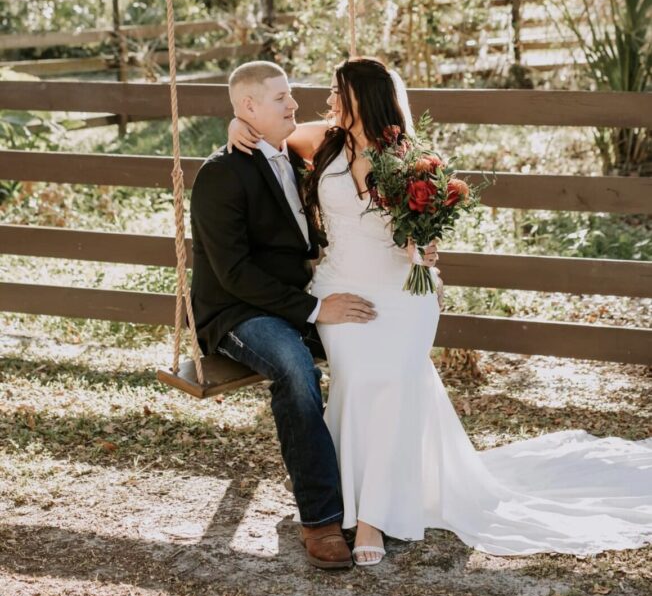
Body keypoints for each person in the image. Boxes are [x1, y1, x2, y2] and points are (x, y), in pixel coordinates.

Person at [229, 56, 652, 565]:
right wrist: (236, 124)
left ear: (362, 98)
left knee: (397, 378)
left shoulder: (407, 158)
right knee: (361, 379)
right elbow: (269, 132)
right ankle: (344, 489)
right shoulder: (323, 141)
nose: (329, 101)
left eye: (338, 93)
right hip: (342, 289)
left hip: (404, 293)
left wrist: (424, 249)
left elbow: (421, 231)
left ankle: (372, 517)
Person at [191, 60, 438, 569]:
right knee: (295, 367)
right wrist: (317, 307)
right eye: (282, 98)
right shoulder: (221, 173)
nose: (298, 104)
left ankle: (373, 498)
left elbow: (400, 220)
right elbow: (233, 274)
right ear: (249, 107)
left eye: (293, 95)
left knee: (387, 371)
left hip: (313, 295)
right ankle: (322, 518)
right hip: (241, 310)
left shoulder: (302, 148)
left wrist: (424, 247)